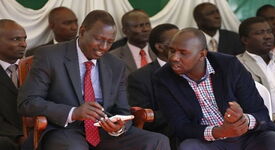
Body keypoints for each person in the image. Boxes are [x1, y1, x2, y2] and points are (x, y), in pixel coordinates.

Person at [18, 10, 170, 150]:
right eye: (99, 39)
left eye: (109, 42)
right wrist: (74, 112)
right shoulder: (50, 56)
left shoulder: (116, 65)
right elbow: (27, 103)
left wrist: (118, 127)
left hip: (105, 131)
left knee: (158, 141)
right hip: (64, 129)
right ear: (83, 31)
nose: (103, 47)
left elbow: (122, 109)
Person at [153, 27, 275, 150]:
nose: (174, 58)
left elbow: (260, 112)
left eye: (183, 53)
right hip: (207, 141)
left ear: (202, 54)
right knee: (189, 147)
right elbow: (180, 126)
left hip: (248, 136)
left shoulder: (229, 65)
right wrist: (218, 132)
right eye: (172, 51)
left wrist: (243, 121)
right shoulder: (163, 78)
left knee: (274, 140)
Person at [127, 23, 179, 149]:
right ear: (160, 47)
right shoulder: (140, 78)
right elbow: (143, 119)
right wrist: (182, 112)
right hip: (167, 134)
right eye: (176, 41)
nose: (183, 43)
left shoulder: (193, 69)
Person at [237, 17, 275, 126]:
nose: (267, 36)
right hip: (268, 123)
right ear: (245, 40)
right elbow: (246, 102)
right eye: (259, 33)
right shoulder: (237, 65)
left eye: (269, 32)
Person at [0, 19, 27, 150]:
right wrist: (18, 136)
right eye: (16, 39)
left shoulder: (35, 67)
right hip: (6, 136)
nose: (24, 44)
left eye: (24, 39)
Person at [110, 9, 156, 76]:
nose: (145, 29)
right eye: (139, 26)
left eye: (147, 24)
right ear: (125, 31)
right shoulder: (114, 57)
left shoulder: (159, 52)